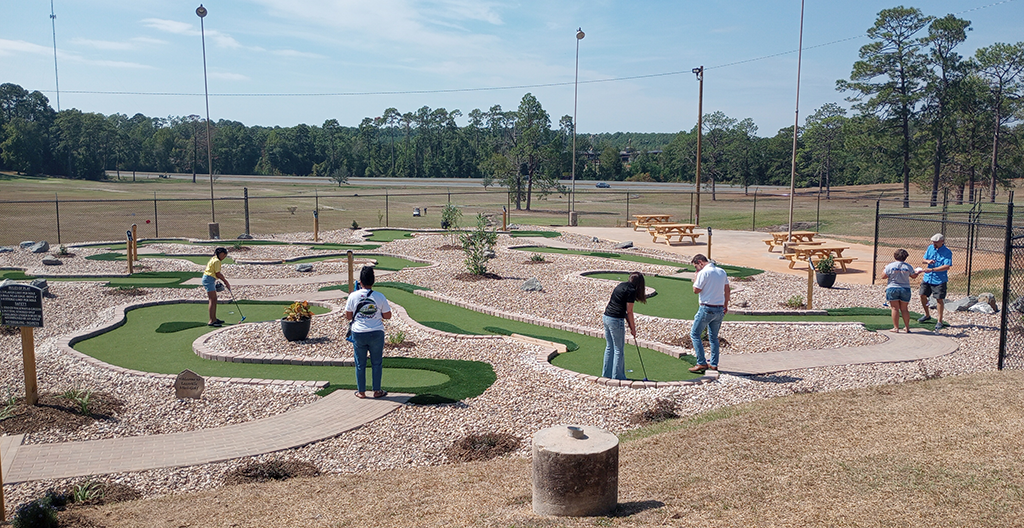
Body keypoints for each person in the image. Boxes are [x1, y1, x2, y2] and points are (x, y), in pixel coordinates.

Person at [345, 266, 392, 399]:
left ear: (360, 281)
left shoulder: (353, 296)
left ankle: (361, 392)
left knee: (360, 363)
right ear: (373, 281)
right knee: (376, 362)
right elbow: (388, 315)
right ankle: (377, 390)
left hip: (358, 332)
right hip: (376, 332)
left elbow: (348, 316)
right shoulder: (380, 296)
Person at [601, 272, 647, 380]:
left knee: (609, 347)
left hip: (606, 317)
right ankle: (618, 377)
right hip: (616, 320)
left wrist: (631, 327)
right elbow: (629, 311)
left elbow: (624, 309)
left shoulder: (621, 285)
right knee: (618, 349)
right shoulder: (631, 291)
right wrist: (633, 328)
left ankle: (606, 375)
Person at [689, 254, 729, 373]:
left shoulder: (703, 273)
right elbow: (727, 289)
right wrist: (725, 305)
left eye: (696, 267)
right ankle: (714, 363)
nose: (696, 269)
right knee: (713, 337)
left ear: (700, 262)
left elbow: (696, 290)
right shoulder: (721, 271)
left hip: (706, 308)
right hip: (719, 308)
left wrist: (696, 277)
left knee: (695, 334)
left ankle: (701, 362)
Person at [918, 233, 953, 332]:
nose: (934, 244)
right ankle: (927, 315)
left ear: (942, 242)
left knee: (939, 299)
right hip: (927, 277)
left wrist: (933, 269)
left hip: (939, 279)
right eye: (933, 242)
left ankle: (939, 321)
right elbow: (924, 259)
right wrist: (927, 262)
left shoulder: (947, 252)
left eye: (936, 242)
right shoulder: (930, 248)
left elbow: (947, 266)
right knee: (922, 295)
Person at [882, 249, 921, 333]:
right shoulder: (908, 266)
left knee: (894, 308)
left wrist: (884, 269)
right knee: (904, 309)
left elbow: (883, 276)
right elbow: (913, 276)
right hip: (905, 288)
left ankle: (896, 328)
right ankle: (907, 327)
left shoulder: (890, 266)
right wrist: (917, 273)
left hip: (892, 287)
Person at [202, 247, 230, 327]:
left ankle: (214, 318)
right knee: (212, 299)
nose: (224, 257)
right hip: (209, 279)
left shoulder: (214, 258)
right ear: (221, 254)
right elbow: (218, 273)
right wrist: (225, 281)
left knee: (214, 299)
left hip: (209, 278)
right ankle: (211, 321)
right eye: (224, 255)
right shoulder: (217, 261)